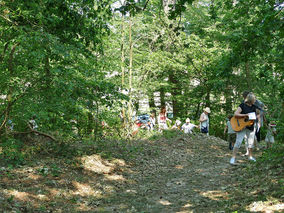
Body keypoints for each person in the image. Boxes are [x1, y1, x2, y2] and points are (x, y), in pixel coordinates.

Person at [230, 92, 260, 165]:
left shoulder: (254, 107)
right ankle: (233, 157)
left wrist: (257, 117)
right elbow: (236, 114)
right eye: (254, 98)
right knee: (238, 142)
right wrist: (246, 115)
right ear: (251, 99)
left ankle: (250, 156)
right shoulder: (242, 105)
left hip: (251, 126)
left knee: (250, 143)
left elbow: (258, 114)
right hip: (241, 126)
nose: (255, 100)